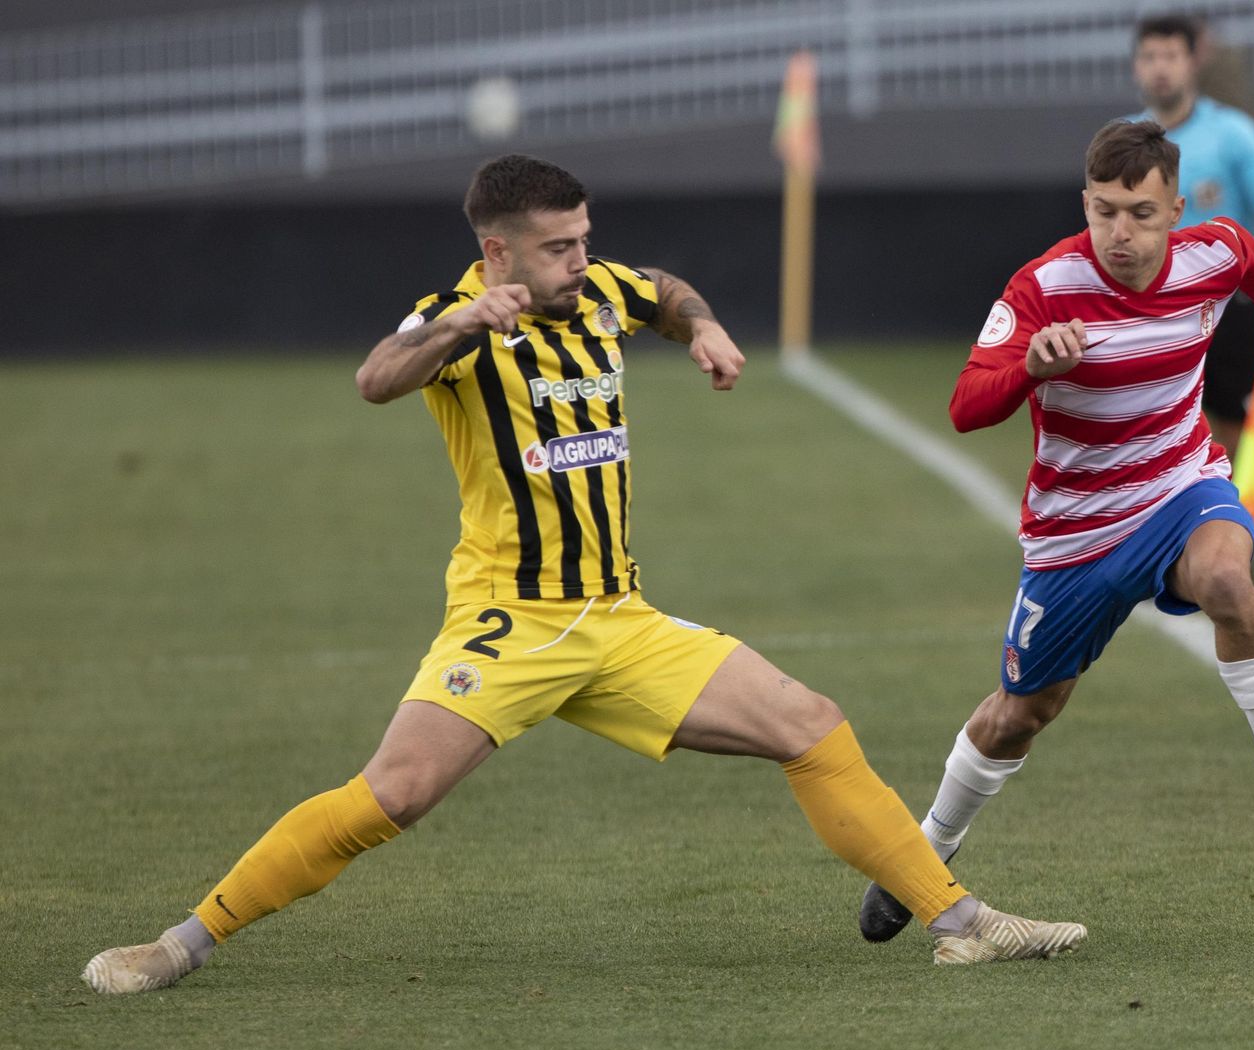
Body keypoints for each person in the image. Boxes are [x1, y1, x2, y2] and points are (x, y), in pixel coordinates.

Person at [82, 156, 1087, 994]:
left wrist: (699, 326)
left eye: (583, 237)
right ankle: (182, 942)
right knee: (391, 796)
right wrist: (464, 325)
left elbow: (657, 285)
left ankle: (958, 921)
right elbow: (374, 378)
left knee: (810, 724)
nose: (579, 258)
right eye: (559, 245)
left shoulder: (600, 288)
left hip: (618, 619)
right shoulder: (452, 321)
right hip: (509, 624)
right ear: (497, 251)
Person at [857, 120, 1254, 944]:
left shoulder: (1216, 249)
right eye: (1103, 211)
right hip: (1074, 537)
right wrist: (1032, 369)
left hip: (1179, 487)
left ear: (1177, 207)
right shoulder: (1042, 287)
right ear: (1083, 203)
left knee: (1231, 581)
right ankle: (924, 855)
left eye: (1140, 214)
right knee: (1021, 714)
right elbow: (964, 405)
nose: (1120, 233)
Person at [1130, 13, 1254, 462]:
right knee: (1151, 429)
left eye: (1171, 55)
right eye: (1150, 56)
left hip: (1227, 305)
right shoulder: (1125, 141)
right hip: (1152, 307)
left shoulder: (1232, 133)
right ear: (1135, 66)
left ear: (1192, 62)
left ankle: (1230, 520)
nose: (1160, 67)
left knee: (1235, 426)